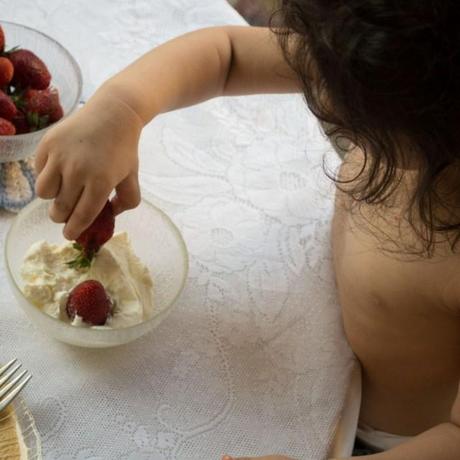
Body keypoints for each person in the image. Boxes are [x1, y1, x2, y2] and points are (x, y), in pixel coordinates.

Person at [33, 1, 460, 458]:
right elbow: (229, 54)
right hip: (316, 324)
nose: (322, 96)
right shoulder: (388, 56)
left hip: (381, 435)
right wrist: (123, 105)